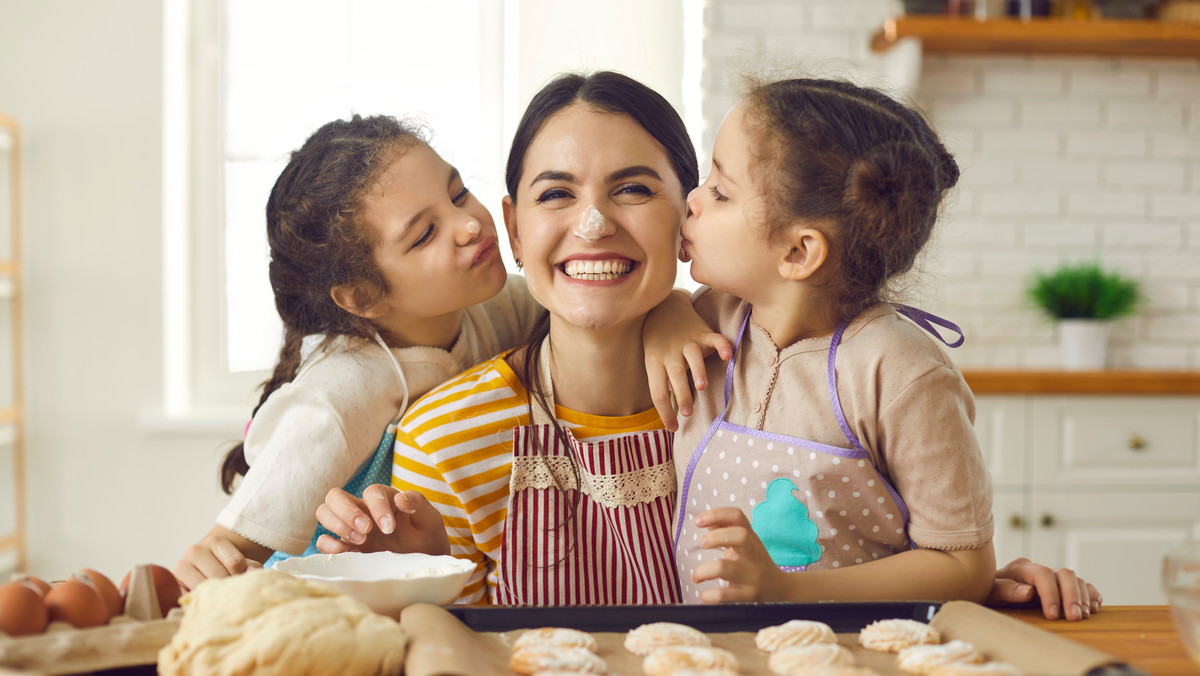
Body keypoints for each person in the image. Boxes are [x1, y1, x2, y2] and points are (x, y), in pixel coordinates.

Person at [661, 75, 1101, 620]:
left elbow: (963, 566)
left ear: (799, 252)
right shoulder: (709, 319)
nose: (694, 200)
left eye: (721, 192)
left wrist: (786, 590)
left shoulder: (899, 371)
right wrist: (666, 313)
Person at [316, 70, 698, 605]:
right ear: (514, 230)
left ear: (690, 218)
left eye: (633, 188)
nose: (593, 225)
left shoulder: (755, 395)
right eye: (557, 193)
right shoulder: (442, 444)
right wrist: (422, 594)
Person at [172, 115, 546, 591]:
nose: (470, 223)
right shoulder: (336, 396)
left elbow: (600, 319)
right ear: (363, 296)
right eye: (424, 234)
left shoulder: (502, 306)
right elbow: (229, 550)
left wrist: (670, 314)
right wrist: (206, 565)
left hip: (449, 594)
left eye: (457, 193)